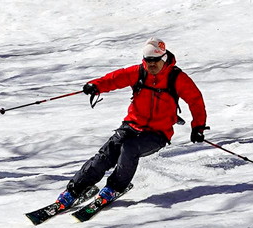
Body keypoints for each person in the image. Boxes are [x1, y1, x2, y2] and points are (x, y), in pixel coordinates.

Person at [51, 37, 207, 213]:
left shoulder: (177, 78)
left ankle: (114, 188)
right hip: (132, 125)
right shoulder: (139, 72)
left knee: (130, 148)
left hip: (157, 133)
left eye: (155, 61)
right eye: (148, 61)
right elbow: (115, 79)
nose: (151, 65)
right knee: (106, 154)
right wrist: (96, 85)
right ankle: (74, 191)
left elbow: (196, 101)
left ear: (163, 59)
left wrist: (198, 127)